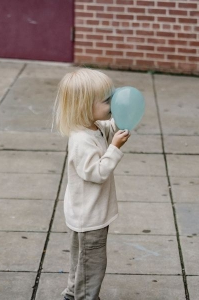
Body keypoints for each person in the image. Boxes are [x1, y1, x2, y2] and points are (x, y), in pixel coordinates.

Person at [53, 68, 130, 300]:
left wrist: (123, 117)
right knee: (92, 265)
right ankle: (84, 296)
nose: (111, 104)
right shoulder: (81, 140)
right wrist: (114, 148)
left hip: (88, 212)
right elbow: (96, 173)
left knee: (82, 260)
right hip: (89, 216)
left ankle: (71, 293)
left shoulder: (93, 127)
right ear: (86, 106)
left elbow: (109, 128)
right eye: (107, 101)